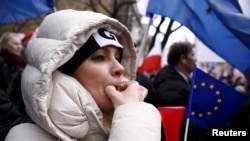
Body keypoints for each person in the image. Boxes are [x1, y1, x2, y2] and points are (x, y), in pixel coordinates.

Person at [5, 9, 161, 141]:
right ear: (66, 72)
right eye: (100, 57)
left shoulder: (124, 119)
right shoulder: (25, 136)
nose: (120, 68)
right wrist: (133, 115)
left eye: (118, 58)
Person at [153, 41, 206, 141]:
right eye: (192, 55)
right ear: (183, 59)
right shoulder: (171, 86)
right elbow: (176, 124)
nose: (196, 59)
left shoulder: (180, 81)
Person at [0, 32, 30, 123]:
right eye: (15, 43)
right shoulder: (2, 64)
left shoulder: (23, 62)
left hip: (24, 109)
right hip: (10, 114)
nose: (19, 47)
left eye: (20, 44)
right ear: (4, 45)